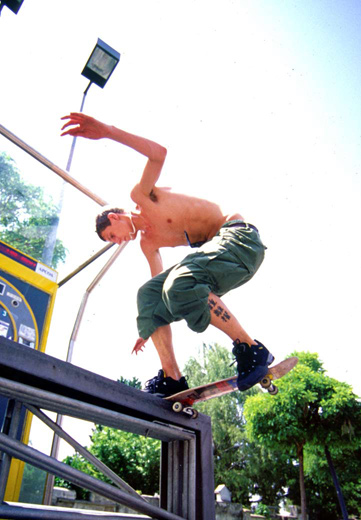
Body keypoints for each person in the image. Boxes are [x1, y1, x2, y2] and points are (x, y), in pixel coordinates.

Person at [61, 112, 274, 396]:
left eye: (112, 235)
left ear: (114, 216)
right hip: (222, 260)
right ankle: (172, 376)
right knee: (148, 295)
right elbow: (161, 296)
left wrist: (108, 131)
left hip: (239, 239)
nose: (117, 241)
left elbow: (158, 154)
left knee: (181, 282)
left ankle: (250, 348)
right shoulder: (147, 244)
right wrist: (148, 325)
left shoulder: (142, 196)